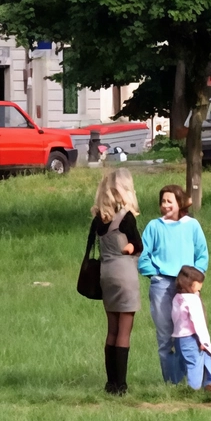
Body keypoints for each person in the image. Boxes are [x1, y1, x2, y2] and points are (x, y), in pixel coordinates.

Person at [138, 185, 209, 384]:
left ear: (180, 203)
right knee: (165, 337)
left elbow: (202, 254)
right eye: (163, 201)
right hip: (162, 286)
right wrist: (155, 275)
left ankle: (194, 381)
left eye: (170, 201)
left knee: (192, 333)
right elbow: (143, 256)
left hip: (187, 287)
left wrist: (195, 278)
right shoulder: (153, 226)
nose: (166, 205)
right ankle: (172, 382)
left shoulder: (192, 225)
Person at [88, 168, 142, 395]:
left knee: (111, 329)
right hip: (124, 274)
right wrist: (131, 247)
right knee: (124, 331)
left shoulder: (99, 220)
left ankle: (110, 383)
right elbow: (137, 246)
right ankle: (121, 384)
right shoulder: (126, 218)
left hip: (106, 275)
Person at [170, 266, 211, 394]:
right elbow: (198, 321)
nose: (201, 287)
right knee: (195, 364)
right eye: (199, 283)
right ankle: (193, 390)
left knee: (200, 359)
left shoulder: (177, 298)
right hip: (192, 337)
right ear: (192, 283)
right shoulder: (193, 300)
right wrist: (203, 341)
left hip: (179, 338)